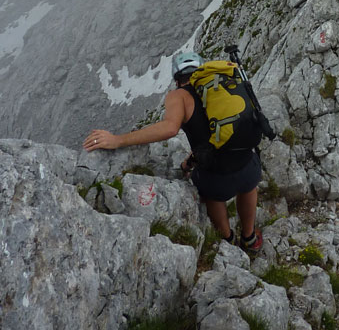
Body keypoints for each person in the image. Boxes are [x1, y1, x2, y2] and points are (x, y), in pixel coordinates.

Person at [83, 50, 263, 254]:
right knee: (248, 187)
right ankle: (249, 239)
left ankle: (228, 241)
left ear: (177, 79)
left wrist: (118, 140)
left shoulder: (179, 96)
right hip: (246, 161)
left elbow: (170, 128)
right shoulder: (221, 86)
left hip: (216, 176)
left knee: (213, 196)